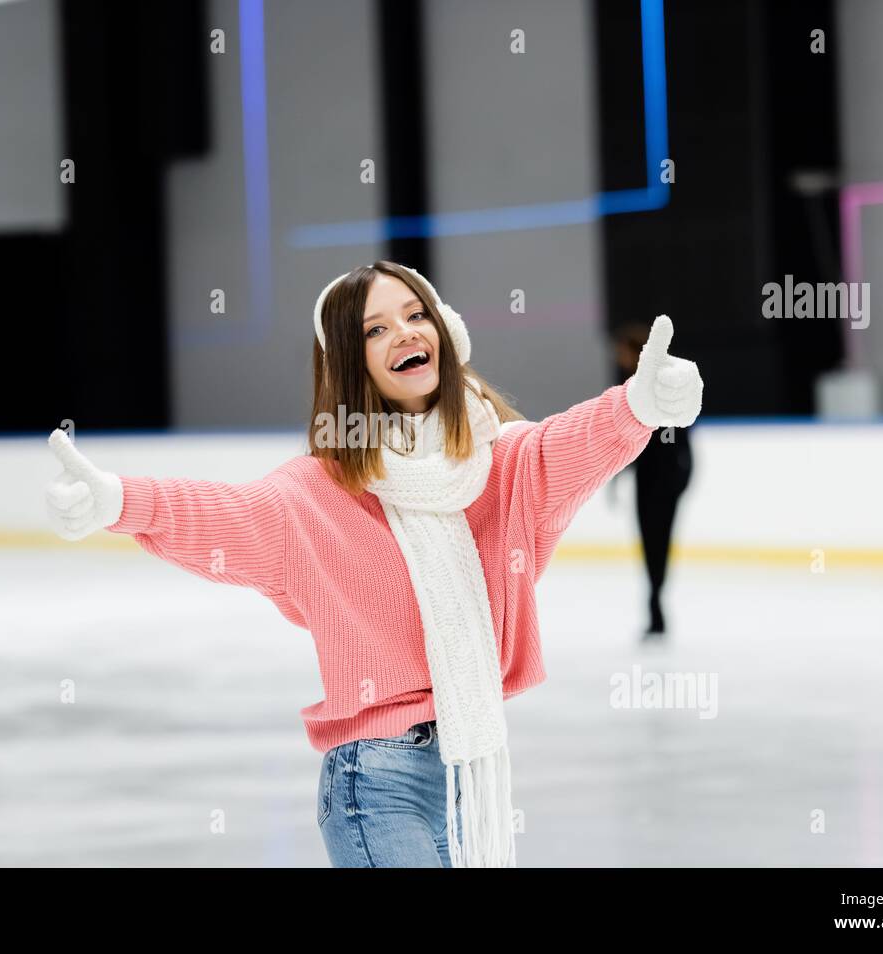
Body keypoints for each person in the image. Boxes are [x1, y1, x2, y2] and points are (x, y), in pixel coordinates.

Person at [44, 262, 703, 866]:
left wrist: (638, 405)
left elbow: (569, 444)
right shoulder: (319, 492)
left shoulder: (501, 467)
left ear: (445, 331)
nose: (405, 333)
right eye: (376, 329)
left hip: (463, 774)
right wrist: (119, 499)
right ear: (351, 365)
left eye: (417, 315)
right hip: (375, 782)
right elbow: (226, 515)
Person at [612, 321, 695, 639]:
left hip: (665, 481)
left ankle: (656, 605)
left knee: (658, 544)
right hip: (646, 481)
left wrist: (683, 477)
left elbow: (681, 438)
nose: (618, 356)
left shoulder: (662, 385)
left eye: (622, 351)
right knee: (649, 544)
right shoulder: (628, 388)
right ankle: (654, 604)